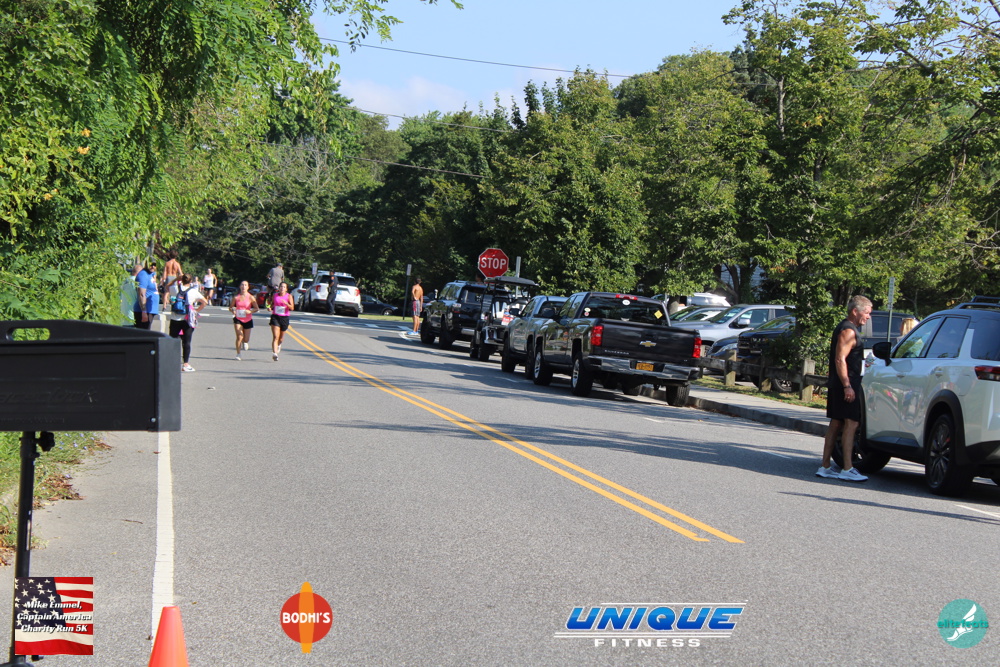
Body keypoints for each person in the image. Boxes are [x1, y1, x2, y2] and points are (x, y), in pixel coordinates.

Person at [817, 295, 873, 482]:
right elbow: (840, 359)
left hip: (840, 383)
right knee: (851, 423)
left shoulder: (846, 328)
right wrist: (847, 386)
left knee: (837, 423)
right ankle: (847, 468)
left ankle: (825, 466)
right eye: (866, 313)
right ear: (855, 311)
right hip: (846, 384)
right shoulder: (848, 331)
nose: (868, 317)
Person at [168, 273, 208, 372]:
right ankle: (185, 364)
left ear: (181, 280)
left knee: (173, 340)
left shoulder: (175, 289)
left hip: (175, 318)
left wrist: (175, 279)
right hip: (187, 319)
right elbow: (205, 302)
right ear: (191, 281)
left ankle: (171, 362)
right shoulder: (193, 291)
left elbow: (166, 287)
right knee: (186, 342)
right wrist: (196, 311)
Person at [229, 280, 259, 360]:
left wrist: (250, 311)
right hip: (238, 318)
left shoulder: (251, 297)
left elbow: (256, 308)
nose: (243, 286)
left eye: (245, 285)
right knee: (239, 336)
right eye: (242, 285)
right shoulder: (236, 297)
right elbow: (231, 307)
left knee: (246, 339)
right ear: (240, 286)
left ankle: (245, 342)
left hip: (248, 319)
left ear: (248, 287)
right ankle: (238, 354)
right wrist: (233, 310)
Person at [268, 281, 294, 361]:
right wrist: (270, 308)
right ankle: (275, 353)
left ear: (286, 289)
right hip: (275, 316)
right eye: (281, 287)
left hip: (284, 318)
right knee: (275, 337)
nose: (282, 288)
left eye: (284, 287)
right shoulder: (275, 295)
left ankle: (279, 345)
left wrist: (287, 304)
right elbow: (272, 304)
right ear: (279, 288)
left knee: (281, 338)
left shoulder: (288, 296)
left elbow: (292, 308)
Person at [133, 261, 159, 329]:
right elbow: (141, 294)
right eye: (151, 264)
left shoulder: (151, 274)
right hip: (143, 311)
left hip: (150, 310)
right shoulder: (143, 275)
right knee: (142, 333)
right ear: (146, 264)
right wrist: (144, 311)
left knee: (147, 332)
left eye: (154, 265)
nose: (153, 267)